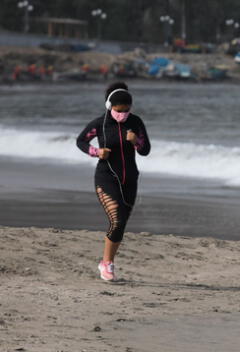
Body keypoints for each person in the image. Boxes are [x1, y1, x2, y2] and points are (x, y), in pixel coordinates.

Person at [76, 82, 151, 282]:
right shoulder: (99, 124)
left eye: (126, 110)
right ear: (110, 107)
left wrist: (136, 141)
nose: (123, 114)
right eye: (119, 111)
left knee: (120, 224)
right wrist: (96, 152)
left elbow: (145, 150)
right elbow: (81, 141)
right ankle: (107, 264)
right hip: (106, 178)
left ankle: (106, 261)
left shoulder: (135, 123)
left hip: (130, 180)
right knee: (116, 220)